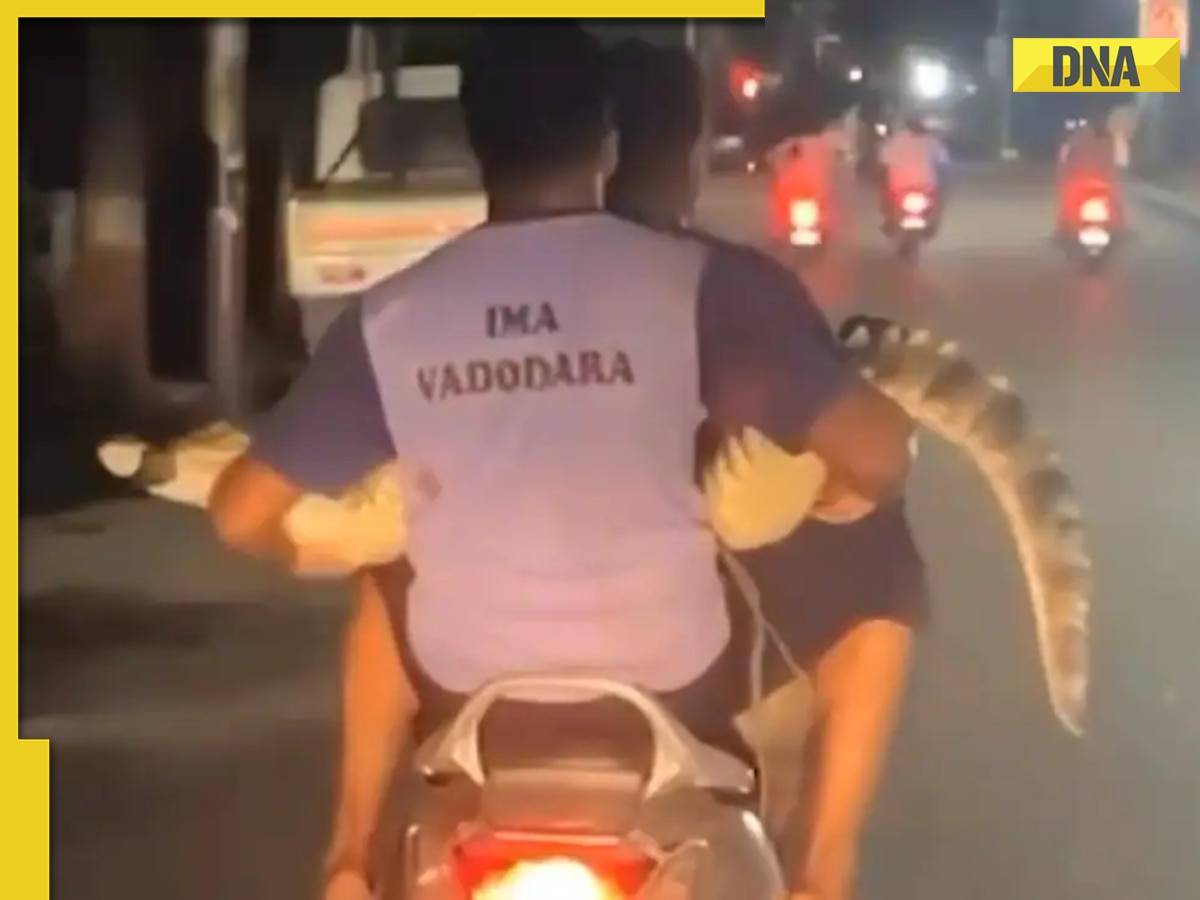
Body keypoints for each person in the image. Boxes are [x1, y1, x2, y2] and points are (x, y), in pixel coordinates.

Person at [208, 25, 911, 900]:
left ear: (477, 147)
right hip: (674, 688)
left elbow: (239, 513)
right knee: (880, 551)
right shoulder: (701, 284)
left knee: (389, 552)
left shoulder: (390, 315)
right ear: (607, 144)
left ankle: (348, 860)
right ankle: (823, 873)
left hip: (466, 700)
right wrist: (831, 497)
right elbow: (882, 454)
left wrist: (304, 551)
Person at [878, 115, 949, 228]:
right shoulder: (933, 141)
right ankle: (933, 224)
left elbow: (884, 162)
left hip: (899, 185)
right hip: (926, 184)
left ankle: (889, 220)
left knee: (884, 194)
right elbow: (943, 162)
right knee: (940, 197)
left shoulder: (895, 140)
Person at [1057, 117, 1123, 234]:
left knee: (1067, 207)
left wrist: (1065, 172)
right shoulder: (1112, 138)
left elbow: (1064, 158)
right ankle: (1119, 229)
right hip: (1102, 182)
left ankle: (1063, 230)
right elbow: (1120, 161)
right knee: (1116, 204)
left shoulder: (1078, 136)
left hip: (1081, 181)